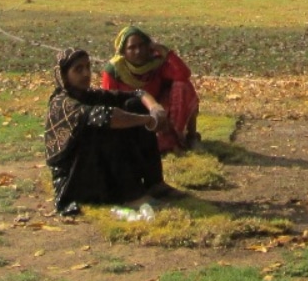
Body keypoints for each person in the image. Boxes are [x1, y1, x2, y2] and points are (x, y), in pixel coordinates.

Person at [43, 47, 178, 214]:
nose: (86, 73)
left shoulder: (88, 95)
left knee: (134, 106)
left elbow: (137, 94)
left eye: (88, 67)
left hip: (95, 169)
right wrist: (148, 120)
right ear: (63, 75)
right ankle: (132, 196)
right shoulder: (62, 103)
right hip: (74, 180)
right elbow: (107, 117)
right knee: (103, 126)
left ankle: (154, 183)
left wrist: (155, 108)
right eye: (78, 69)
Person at [100, 26, 200, 154]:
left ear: (149, 46)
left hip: (159, 114)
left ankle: (189, 137)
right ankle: (168, 142)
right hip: (130, 119)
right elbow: (109, 103)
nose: (138, 51)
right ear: (123, 52)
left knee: (183, 86)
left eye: (142, 45)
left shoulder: (156, 63)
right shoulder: (114, 70)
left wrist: (165, 52)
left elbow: (183, 74)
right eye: (132, 48)